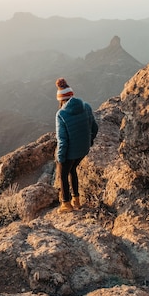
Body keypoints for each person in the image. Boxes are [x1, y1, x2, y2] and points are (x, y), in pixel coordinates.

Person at [54, 77, 98, 213]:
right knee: (72, 170)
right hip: (83, 149)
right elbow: (94, 127)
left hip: (71, 152)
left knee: (63, 174)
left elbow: (62, 140)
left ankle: (66, 204)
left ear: (61, 99)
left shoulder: (61, 114)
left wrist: (60, 158)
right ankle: (76, 200)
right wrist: (89, 141)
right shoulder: (86, 106)